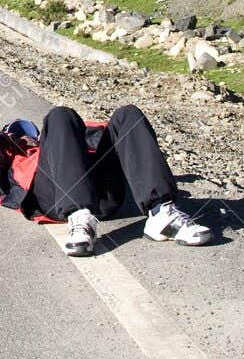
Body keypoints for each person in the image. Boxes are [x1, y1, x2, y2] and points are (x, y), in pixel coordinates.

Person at [29, 104, 214, 255]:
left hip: (104, 197)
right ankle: (79, 219)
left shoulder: (85, 134)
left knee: (128, 114)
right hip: (58, 197)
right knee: (60, 114)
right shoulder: (48, 134)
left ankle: (161, 213)